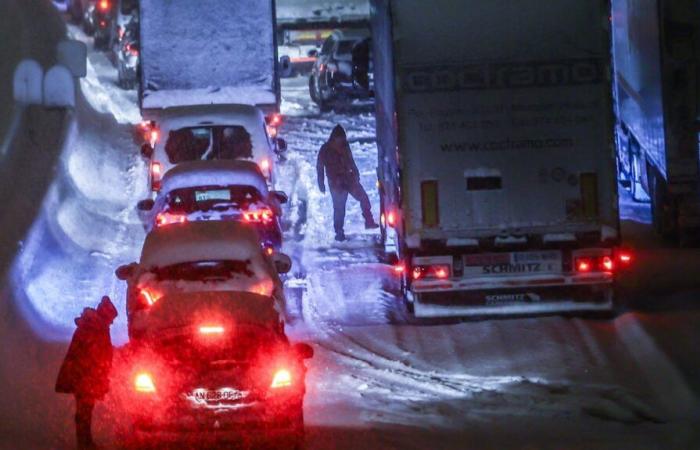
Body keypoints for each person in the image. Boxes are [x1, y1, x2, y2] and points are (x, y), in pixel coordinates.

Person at [56, 296, 118, 450]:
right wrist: (96, 373)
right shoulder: (94, 327)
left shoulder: (93, 326)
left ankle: (85, 442)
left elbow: (96, 351)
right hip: (86, 377)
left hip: (85, 376)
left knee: (85, 412)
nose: (111, 322)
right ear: (106, 314)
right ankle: (84, 444)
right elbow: (93, 353)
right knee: (84, 412)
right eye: (111, 318)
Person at [317, 124, 378, 241]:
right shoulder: (325, 149)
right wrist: (321, 182)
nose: (342, 141)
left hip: (349, 179)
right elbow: (319, 167)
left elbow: (350, 159)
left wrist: (356, 172)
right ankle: (339, 231)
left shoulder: (345, 146)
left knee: (364, 198)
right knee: (339, 208)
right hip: (335, 183)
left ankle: (368, 221)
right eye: (340, 138)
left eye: (343, 138)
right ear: (334, 138)